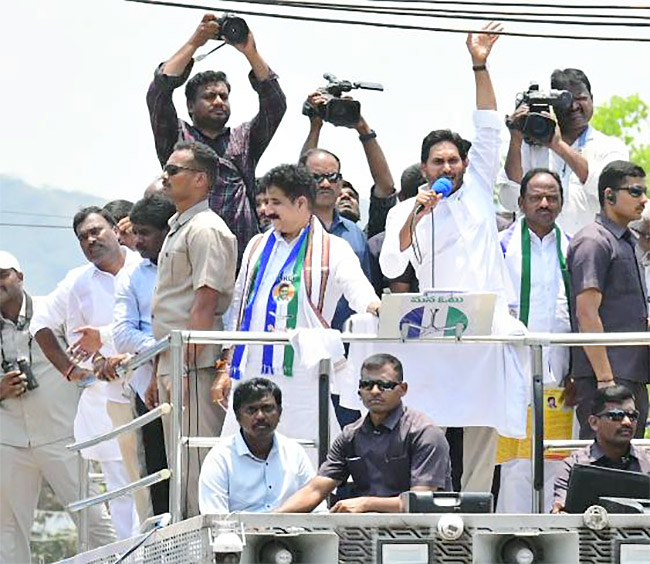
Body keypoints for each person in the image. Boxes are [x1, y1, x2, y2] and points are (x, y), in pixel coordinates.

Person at [378, 23, 525, 493]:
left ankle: (478, 502)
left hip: (483, 324)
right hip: (434, 328)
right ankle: (429, 500)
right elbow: (390, 267)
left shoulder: (480, 186)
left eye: (453, 160)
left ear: (464, 163)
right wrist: (416, 216)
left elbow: (487, 125)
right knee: (430, 421)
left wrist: (479, 63)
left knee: (483, 420)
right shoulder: (409, 207)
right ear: (425, 168)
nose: (447, 168)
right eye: (438, 162)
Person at [214, 163, 380, 447]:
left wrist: (379, 310)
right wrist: (224, 368)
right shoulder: (256, 245)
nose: (266, 210)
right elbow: (240, 307)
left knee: (305, 454)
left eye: (275, 202)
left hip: (302, 372)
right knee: (243, 453)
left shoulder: (333, 249)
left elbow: (361, 295)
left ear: (301, 202)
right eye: (265, 201)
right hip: (250, 368)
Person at [31, 207, 143, 539]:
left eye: (97, 231)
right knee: (120, 489)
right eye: (83, 237)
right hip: (105, 396)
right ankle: (130, 555)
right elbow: (41, 325)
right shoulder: (78, 282)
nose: (91, 240)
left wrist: (105, 338)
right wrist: (71, 370)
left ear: (115, 230)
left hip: (148, 385)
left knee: (153, 479)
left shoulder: (144, 267)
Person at [0, 252, 116, 563]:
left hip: (62, 433)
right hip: (9, 440)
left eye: (2, 274)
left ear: (20, 277)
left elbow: (87, 352)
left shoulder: (51, 311)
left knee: (93, 518)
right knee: (7, 531)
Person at [147, 13, 286, 264]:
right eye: (210, 96)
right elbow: (158, 94)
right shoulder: (177, 138)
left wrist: (250, 52)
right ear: (190, 106)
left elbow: (274, 106)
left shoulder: (243, 138)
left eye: (224, 96)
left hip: (241, 262)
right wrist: (195, 42)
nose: (219, 101)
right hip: (191, 259)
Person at [151, 140, 237, 518]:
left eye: (174, 170)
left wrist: (182, 366)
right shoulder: (179, 227)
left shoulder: (205, 228)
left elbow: (204, 303)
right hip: (174, 358)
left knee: (199, 465)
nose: (165, 177)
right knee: (181, 467)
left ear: (201, 179)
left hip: (196, 363)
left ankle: (208, 548)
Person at [276, 354, 450, 513]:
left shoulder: (424, 433)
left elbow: (421, 503)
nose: (374, 391)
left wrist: (367, 504)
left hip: (421, 534)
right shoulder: (350, 435)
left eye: (384, 385)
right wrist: (270, 521)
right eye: (367, 385)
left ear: (403, 389)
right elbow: (316, 490)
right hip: (362, 533)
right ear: (359, 390)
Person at [496, 168, 574, 513]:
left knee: (557, 460)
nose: (545, 203)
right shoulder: (500, 247)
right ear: (521, 201)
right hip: (510, 374)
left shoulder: (573, 247)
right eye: (536, 197)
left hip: (560, 376)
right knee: (514, 465)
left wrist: (579, 370)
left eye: (552, 197)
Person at [567, 160, 649, 439]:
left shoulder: (626, 240)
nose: (644, 199)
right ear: (609, 195)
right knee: (603, 471)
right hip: (606, 379)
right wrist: (605, 381)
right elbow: (587, 313)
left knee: (631, 472)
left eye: (645, 192)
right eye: (635, 192)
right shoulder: (593, 241)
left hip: (631, 375)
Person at [498, 68, 629, 236]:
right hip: (537, 253)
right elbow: (509, 200)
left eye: (581, 98)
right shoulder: (531, 145)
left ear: (592, 100)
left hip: (590, 252)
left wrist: (558, 146)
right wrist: (516, 138)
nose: (574, 106)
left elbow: (614, 195)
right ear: (553, 104)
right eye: (567, 101)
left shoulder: (610, 147)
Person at [112, 194, 176, 515]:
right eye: (134, 232)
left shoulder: (185, 265)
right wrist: (165, 349)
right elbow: (122, 336)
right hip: (147, 393)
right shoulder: (132, 275)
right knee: (158, 474)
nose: (136, 241)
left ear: (168, 230)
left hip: (189, 383)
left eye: (145, 233)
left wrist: (161, 348)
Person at [198, 378, 318, 514]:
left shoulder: (294, 452)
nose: (260, 416)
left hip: (292, 533)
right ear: (237, 416)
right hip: (240, 534)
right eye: (251, 410)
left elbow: (317, 509)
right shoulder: (220, 458)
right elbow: (215, 519)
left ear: (279, 412)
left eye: (268, 409)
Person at [299, 99, 396, 239]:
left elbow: (385, 188)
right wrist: (315, 126)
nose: (345, 197)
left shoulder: (366, 240)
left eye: (352, 196)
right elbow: (302, 177)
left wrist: (363, 127)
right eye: (339, 196)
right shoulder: (299, 230)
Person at [299, 147, 372, 332]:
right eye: (316, 177)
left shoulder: (355, 233)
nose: (325, 184)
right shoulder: (288, 232)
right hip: (302, 339)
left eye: (332, 177)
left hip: (350, 341)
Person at [552, 385, 650, 513]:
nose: (627, 422)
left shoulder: (647, 464)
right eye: (616, 415)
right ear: (594, 422)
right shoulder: (572, 466)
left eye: (632, 416)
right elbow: (561, 512)